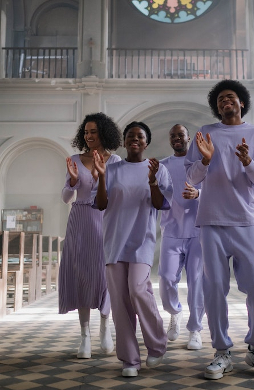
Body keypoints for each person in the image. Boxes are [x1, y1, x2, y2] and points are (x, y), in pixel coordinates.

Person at [185, 79, 254, 379]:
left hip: (248, 221)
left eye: (232, 97)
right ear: (217, 105)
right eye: (221, 98)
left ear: (241, 103)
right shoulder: (204, 134)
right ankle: (222, 352)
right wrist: (206, 160)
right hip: (211, 221)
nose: (226, 101)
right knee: (214, 289)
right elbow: (191, 178)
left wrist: (249, 162)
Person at [93, 121, 173, 378]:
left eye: (139, 136)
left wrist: (152, 182)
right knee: (119, 301)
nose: (134, 139)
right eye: (130, 136)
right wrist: (103, 176)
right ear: (124, 141)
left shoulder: (157, 168)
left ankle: (157, 344)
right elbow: (101, 203)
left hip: (142, 240)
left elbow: (161, 204)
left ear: (146, 142)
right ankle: (129, 359)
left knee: (138, 289)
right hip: (114, 241)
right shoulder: (112, 168)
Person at [59, 112, 122, 359]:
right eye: (86, 132)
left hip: (105, 220)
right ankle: (84, 334)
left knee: (105, 274)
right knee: (81, 274)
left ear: (103, 133)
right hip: (80, 219)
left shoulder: (115, 160)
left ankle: (105, 325)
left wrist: (101, 178)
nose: (88, 135)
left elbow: (117, 194)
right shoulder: (75, 159)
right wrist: (73, 182)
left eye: (93, 131)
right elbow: (65, 197)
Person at [159, 124, 204, 350]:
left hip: (197, 231)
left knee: (197, 282)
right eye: (173, 135)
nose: (177, 138)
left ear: (189, 139)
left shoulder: (200, 165)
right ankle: (174, 312)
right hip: (171, 230)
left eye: (181, 135)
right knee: (166, 278)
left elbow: (215, 189)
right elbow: (153, 194)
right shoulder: (163, 166)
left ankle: (195, 329)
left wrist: (199, 194)